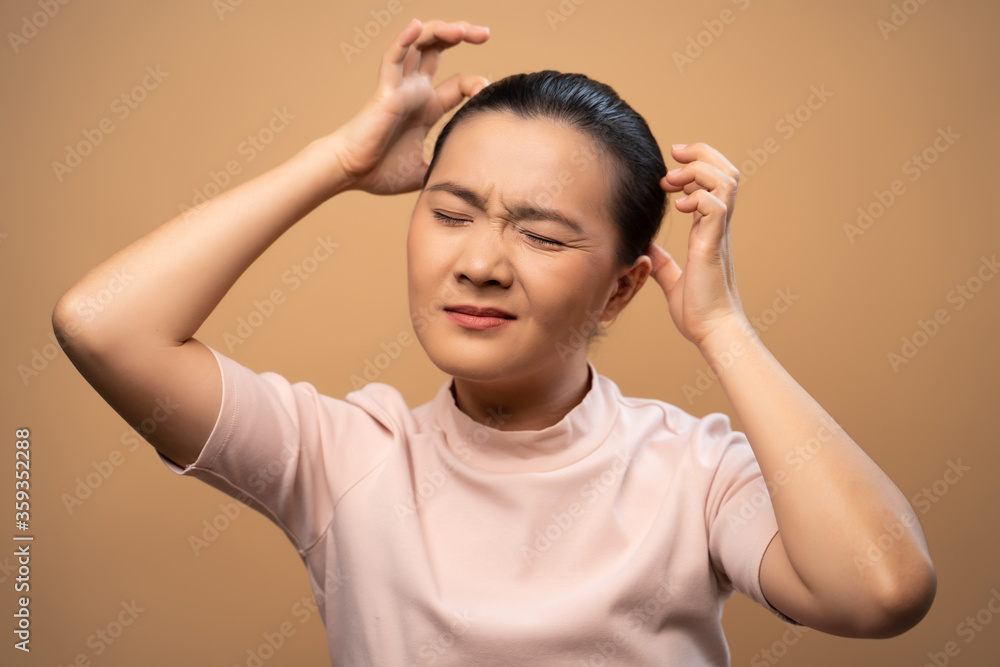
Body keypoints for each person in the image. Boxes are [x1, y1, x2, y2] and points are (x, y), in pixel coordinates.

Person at [53, 18, 936, 666]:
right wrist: (341, 163)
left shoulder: (695, 472)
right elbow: (103, 325)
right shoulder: (344, 455)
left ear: (623, 286)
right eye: (449, 213)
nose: (479, 263)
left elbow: (881, 590)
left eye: (544, 237)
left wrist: (723, 328)